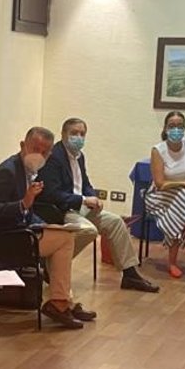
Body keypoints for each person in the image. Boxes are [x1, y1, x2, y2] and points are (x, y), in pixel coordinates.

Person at [0, 126, 91, 329]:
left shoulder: (29, 172)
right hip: (4, 240)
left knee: (64, 235)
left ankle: (63, 302)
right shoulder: (7, 171)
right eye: (35, 149)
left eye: (44, 152)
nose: (38, 155)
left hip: (22, 232)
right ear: (23, 145)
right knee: (65, 241)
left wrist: (45, 225)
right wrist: (23, 203)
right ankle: (60, 303)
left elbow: (29, 213)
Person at [36, 117, 161, 292]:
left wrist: (93, 198)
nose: (79, 137)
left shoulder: (79, 156)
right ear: (63, 134)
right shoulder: (53, 157)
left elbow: (85, 183)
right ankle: (53, 266)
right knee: (89, 230)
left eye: (82, 134)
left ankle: (130, 274)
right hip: (62, 210)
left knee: (116, 222)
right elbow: (52, 194)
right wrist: (83, 200)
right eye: (74, 133)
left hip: (80, 207)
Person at [142, 110, 185, 278]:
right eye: (172, 126)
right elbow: (160, 183)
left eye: (180, 126)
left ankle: (173, 262)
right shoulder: (158, 150)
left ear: (184, 128)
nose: (176, 130)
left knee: (181, 200)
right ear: (165, 129)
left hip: (182, 198)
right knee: (183, 196)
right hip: (159, 195)